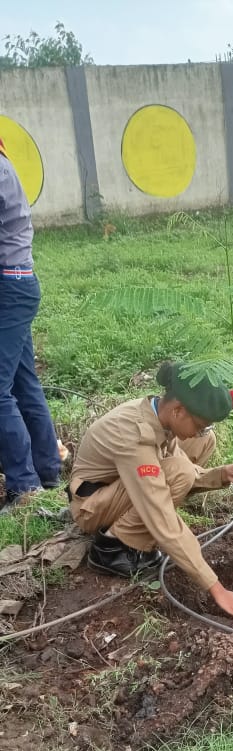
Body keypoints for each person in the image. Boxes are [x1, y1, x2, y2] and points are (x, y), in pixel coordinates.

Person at [69, 359, 233, 621]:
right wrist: (216, 587)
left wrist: (220, 475)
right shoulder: (134, 433)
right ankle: (111, 547)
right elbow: (159, 510)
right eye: (200, 426)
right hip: (91, 508)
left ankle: (126, 536)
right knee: (179, 470)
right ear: (178, 411)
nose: (200, 433)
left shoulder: (158, 417)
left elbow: (180, 470)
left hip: (113, 493)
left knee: (185, 464)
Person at [0, 136, 61, 511]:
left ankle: (24, 487)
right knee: (24, 382)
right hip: (17, 283)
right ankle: (47, 470)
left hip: (9, 286)